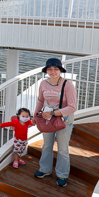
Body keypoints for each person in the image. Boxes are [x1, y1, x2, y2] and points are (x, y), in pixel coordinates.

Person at [34, 58, 77, 187]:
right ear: (46, 70)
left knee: (63, 149)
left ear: (60, 71)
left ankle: (62, 175)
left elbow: (72, 107)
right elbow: (40, 101)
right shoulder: (43, 84)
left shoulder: (67, 85)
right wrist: (36, 115)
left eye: (55, 69)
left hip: (64, 121)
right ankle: (45, 169)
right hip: (47, 120)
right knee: (47, 145)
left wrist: (53, 113)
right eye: (49, 69)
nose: (52, 71)